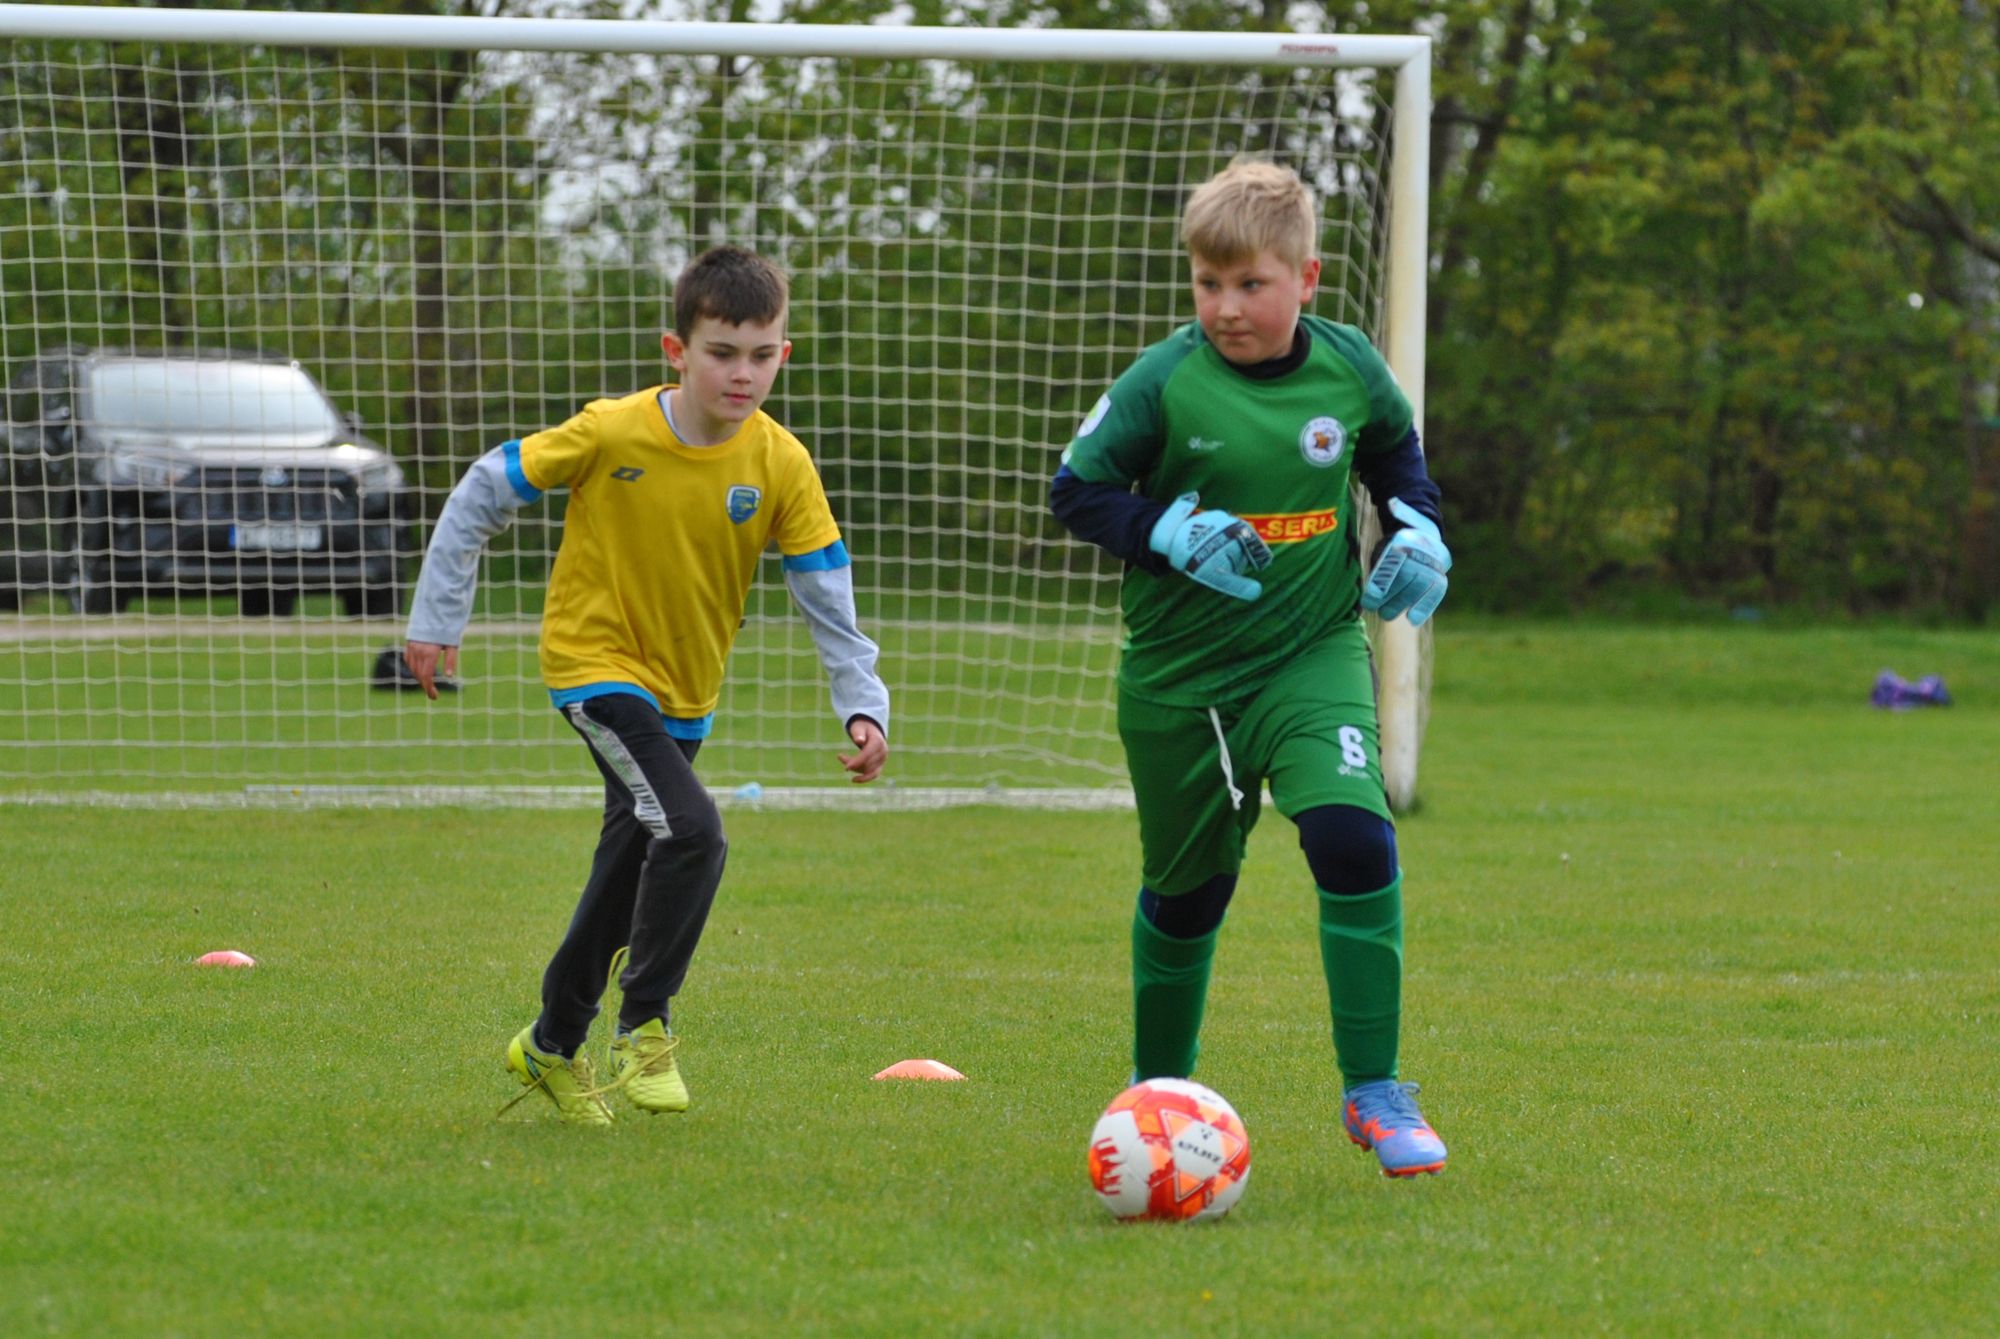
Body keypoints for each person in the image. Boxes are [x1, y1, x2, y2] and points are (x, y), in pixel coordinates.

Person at [405, 245, 890, 1125]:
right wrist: (438, 617)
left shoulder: (781, 463)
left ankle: (550, 1044)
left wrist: (863, 703)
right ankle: (646, 1022)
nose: (743, 373)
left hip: (686, 695)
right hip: (594, 671)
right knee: (696, 832)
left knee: (629, 877)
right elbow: (485, 486)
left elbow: (827, 592)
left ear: (785, 351)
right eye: (722, 352)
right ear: (677, 349)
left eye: (762, 353)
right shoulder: (612, 430)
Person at [1048, 159, 1452, 1176]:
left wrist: (1420, 537)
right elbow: (1076, 491)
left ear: (1305, 278)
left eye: (1249, 284)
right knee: (1188, 897)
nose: (1224, 307)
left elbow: (1399, 469)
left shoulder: (1350, 366)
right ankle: (1154, 1100)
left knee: (1352, 839)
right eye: (1206, 283)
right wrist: (1167, 534)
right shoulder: (1165, 379)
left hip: (1311, 655)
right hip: (1180, 679)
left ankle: (1373, 1090)